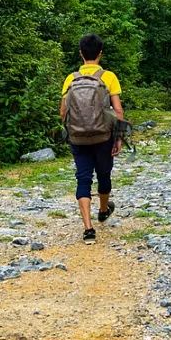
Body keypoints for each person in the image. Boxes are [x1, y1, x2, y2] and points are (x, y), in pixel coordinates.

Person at [61, 33, 124, 244]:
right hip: (103, 136)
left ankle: (88, 229)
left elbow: (63, 112)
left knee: (83, 178)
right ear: (100, 54)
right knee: (104, 175)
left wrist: (72, 130)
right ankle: (103, 209)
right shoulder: (109, 77)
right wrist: (119, 138)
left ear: (81, 53)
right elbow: (118, 111)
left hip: (78, 138)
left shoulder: (71, 79)